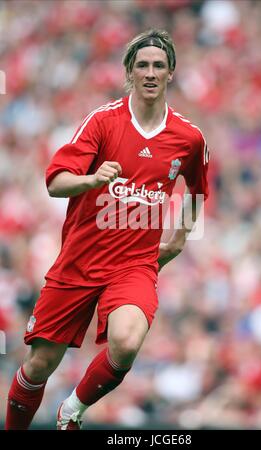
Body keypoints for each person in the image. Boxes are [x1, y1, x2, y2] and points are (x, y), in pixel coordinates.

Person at [5, 29, 209, 430]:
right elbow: (55, 181)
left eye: (159, 66)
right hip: (79, 262)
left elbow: (198, 189)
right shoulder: (102, 122)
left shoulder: (188, 138)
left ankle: (73, 410)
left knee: (128, 342)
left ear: (171, 73)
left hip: (133, 265)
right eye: (142, 66)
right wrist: (92, 180)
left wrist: (180, 238)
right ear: (129, 73)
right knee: (39, 366)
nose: (150, 73)